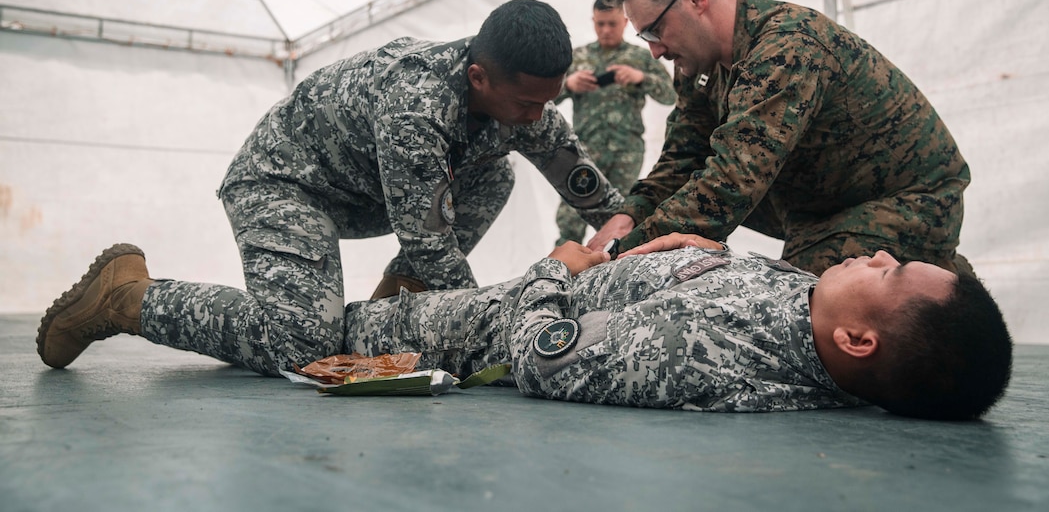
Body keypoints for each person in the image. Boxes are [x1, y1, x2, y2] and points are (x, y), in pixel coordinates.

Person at [37, 0, 624, 375]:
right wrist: (487, 329)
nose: (536, 118)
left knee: (496, 171)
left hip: (359, 190)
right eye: (525, 103)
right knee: (305, 347)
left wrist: (631, 233)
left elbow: (589, 190)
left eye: (546, 102)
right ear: (479, 77)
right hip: (285, 184)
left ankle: (389, 318)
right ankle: (127, 296)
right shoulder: (415, 104)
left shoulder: (524, 104)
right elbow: (429, 243)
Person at [37, 234, 1012, 421]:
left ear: (857, 343)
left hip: (474, 333)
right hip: (514, 300)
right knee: (331, 319)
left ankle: (132, 298)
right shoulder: (808, 315)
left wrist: (562, 266)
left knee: (311, 335)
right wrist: (690, 247)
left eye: (889, 273)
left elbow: (544, 359)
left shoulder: (709, 357)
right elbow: (735, 282)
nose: (875, 254)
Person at [588, 0, 972, 276]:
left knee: (803, 299)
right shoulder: (697, 64)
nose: (654, 51)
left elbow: (732, 183)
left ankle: (941, 274)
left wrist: (614, 257)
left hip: (909, 202)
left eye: (654, 31)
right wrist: (630, 215)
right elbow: (683, 157)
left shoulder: (786, 46)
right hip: (818, 201)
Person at [554, 0, 675, 245]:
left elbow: (670, 95)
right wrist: (568, 85)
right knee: (570, 219)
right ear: (593, 21)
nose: (606, 30)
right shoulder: (576, 58)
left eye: (612, 23)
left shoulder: (640, 57)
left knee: (620, 220)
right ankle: (564, 264)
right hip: (584, 151)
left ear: (625, 22)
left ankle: (614, 263)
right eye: (600, 24)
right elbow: (543, 98)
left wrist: (641, 78)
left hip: (625, 153)